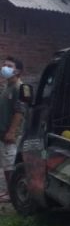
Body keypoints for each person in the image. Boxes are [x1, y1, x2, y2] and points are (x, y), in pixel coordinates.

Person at [0, 56, 26, 203]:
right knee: (6, 163)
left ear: (18, 71)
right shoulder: (7, 86)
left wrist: (12, 132)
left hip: (11, 134)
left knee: (10, 163)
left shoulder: (19, 88)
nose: (5, 67)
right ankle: (8, 191)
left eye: (9, 66)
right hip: (3, 132)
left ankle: (12, 194)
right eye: (4, 65)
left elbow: (19, 112)